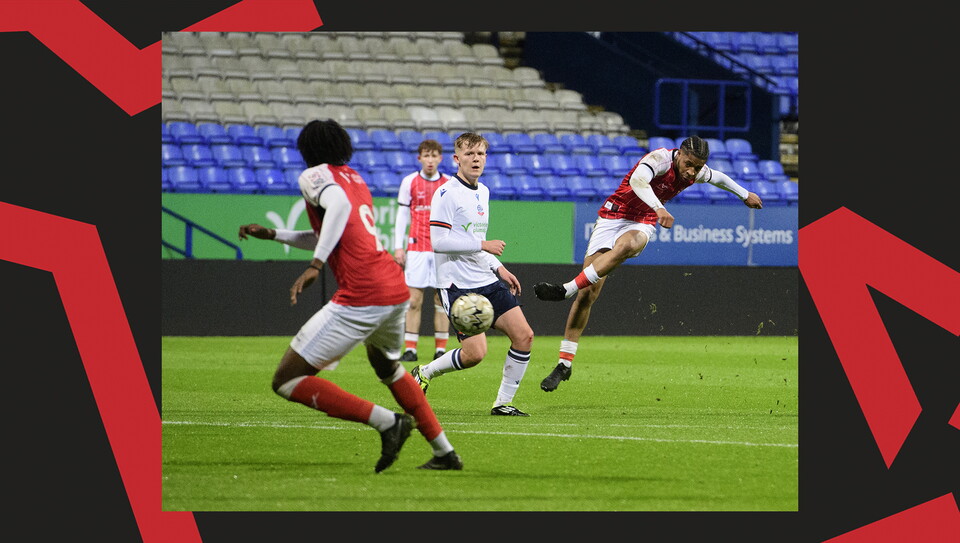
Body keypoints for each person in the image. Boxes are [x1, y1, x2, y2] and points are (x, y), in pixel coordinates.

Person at [237, 119, 462, 471]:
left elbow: (337, 211)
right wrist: (273, 234)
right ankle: (444, 451)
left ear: (307, 149)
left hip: (364, 293)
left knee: (286, 379)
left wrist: (315, 265)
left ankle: (388, 423)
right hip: (393, 287)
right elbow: (333, 229)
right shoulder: (355, 179)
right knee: (387, 366)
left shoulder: (313, 176)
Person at [534, 135, 764, 392]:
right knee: (588, 295)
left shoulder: (695, 171)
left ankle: (566, 289)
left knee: (627, 246)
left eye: (697, 168)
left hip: (642, 220)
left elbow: (719, 177)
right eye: (689, 164)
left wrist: (745, 194)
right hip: (612, 216)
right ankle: (564, 364)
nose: (692, 172)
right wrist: (660, 208)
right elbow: (637, 181)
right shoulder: (660, 158)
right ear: (679, 155)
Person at [409, 132, 536, 416]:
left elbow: (473, 237)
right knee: (475, 355)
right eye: (469, 154)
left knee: (524, 335)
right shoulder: (445, 193)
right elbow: (439, 242)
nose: (476, 159)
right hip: (457, 285)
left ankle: (503, 403)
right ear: (457, 159)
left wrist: (497, 266)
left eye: (480, 154)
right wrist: (483, 244)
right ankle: (425, 371)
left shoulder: (484, 192)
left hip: (486, 278)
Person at [393, 139, 452, 363]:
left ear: (440, 158)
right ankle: (411, 349)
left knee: (440, 300)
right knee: (413, 300)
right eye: (426, 156)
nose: (430, 160)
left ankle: (440, 350)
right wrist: (399, 246)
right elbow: (402, 216)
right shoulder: (409, 182)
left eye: (434, 155)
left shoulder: (447, 184)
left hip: (440, 249)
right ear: (420, 158)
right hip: (416, 248)